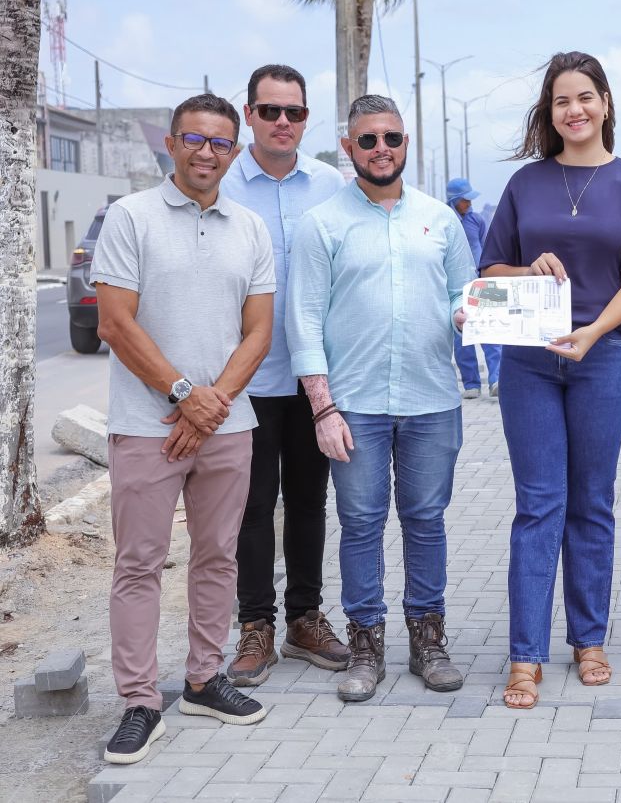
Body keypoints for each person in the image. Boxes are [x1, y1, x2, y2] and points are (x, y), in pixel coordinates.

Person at [479, 51, 621, 709]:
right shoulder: (526, 184)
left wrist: (592, 331)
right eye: (561, 100)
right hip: (530, 362)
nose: (574, 109)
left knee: (591, 501)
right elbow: (489, 270)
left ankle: (589, 639)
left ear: (606, 103)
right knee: (539, 504)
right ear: (548, 111)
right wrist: (527, 271)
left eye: (585, 97)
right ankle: (525, 654)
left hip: (604, 359)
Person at [93, 93, 274, 764]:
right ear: (170, 144)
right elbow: (115, 322)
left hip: (228, 425)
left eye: (221, 142)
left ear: (234, 152)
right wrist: (180, 394)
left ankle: (203, 677)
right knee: (138, 562)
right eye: (194, 139)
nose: (207, 151)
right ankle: (141, 699)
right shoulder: (131, 217)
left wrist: (213, 403)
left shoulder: (249, 227)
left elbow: (259, 331)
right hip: (146, 425)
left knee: (218, 556)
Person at [286, 95, 475, 702]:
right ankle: (365, 643)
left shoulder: (440, 220)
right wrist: (322, 407)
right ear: (348, 147)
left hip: (431, 399)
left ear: (405, 142)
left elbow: (460, 297)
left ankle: (429, 640)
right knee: (361, 523)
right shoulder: (322, 224)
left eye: (390, 138)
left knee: (425, 522)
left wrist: (476, 317)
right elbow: (304, 319)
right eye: (367, 140)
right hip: (355, 405)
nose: (380, 149)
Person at [219, 64, 349, 686]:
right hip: (243, 375)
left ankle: (304, 618)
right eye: (269, 111)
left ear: (306, 118)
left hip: (313, 375)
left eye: (294, 113)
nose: (282, 123)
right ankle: (254, 627)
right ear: (249, 114)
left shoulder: (330, 185)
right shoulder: (223, 184)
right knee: (250, 507)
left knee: (307, 501)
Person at [446, 176, 502, 398]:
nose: (469, 204)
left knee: (491, 329)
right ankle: (471, 384)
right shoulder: (445, 221)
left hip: (480, 282)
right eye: (465, 200)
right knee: (463, 336)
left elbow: (485, 246)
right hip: (457, 287)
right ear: (454, 200)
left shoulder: (477, 220)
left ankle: (496, 379)